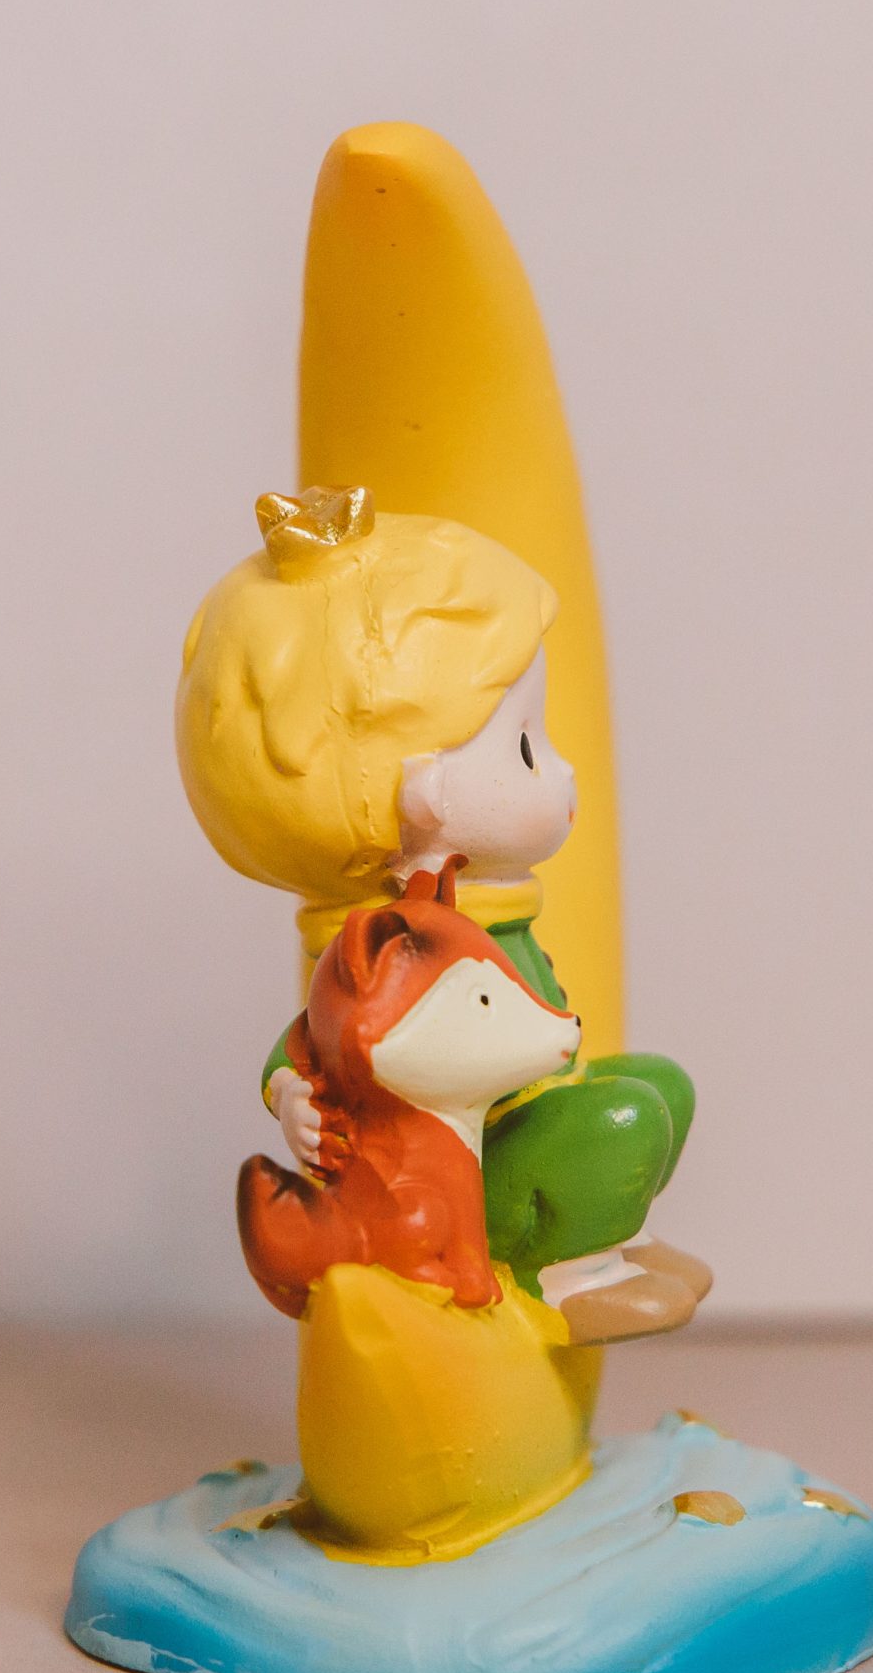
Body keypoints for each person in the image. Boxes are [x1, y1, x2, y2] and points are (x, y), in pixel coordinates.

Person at [176, 483, 703, 1339]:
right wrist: (290, 1092)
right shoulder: (397, 942)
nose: (563, 773)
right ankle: (566, 1270)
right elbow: (318, 1039)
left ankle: (618, 1237)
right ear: (421, 795)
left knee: (661, 1085)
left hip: (534, 1104)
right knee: (626, 1118)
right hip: (473, 1159)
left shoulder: (466, 905)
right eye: (525, 747)